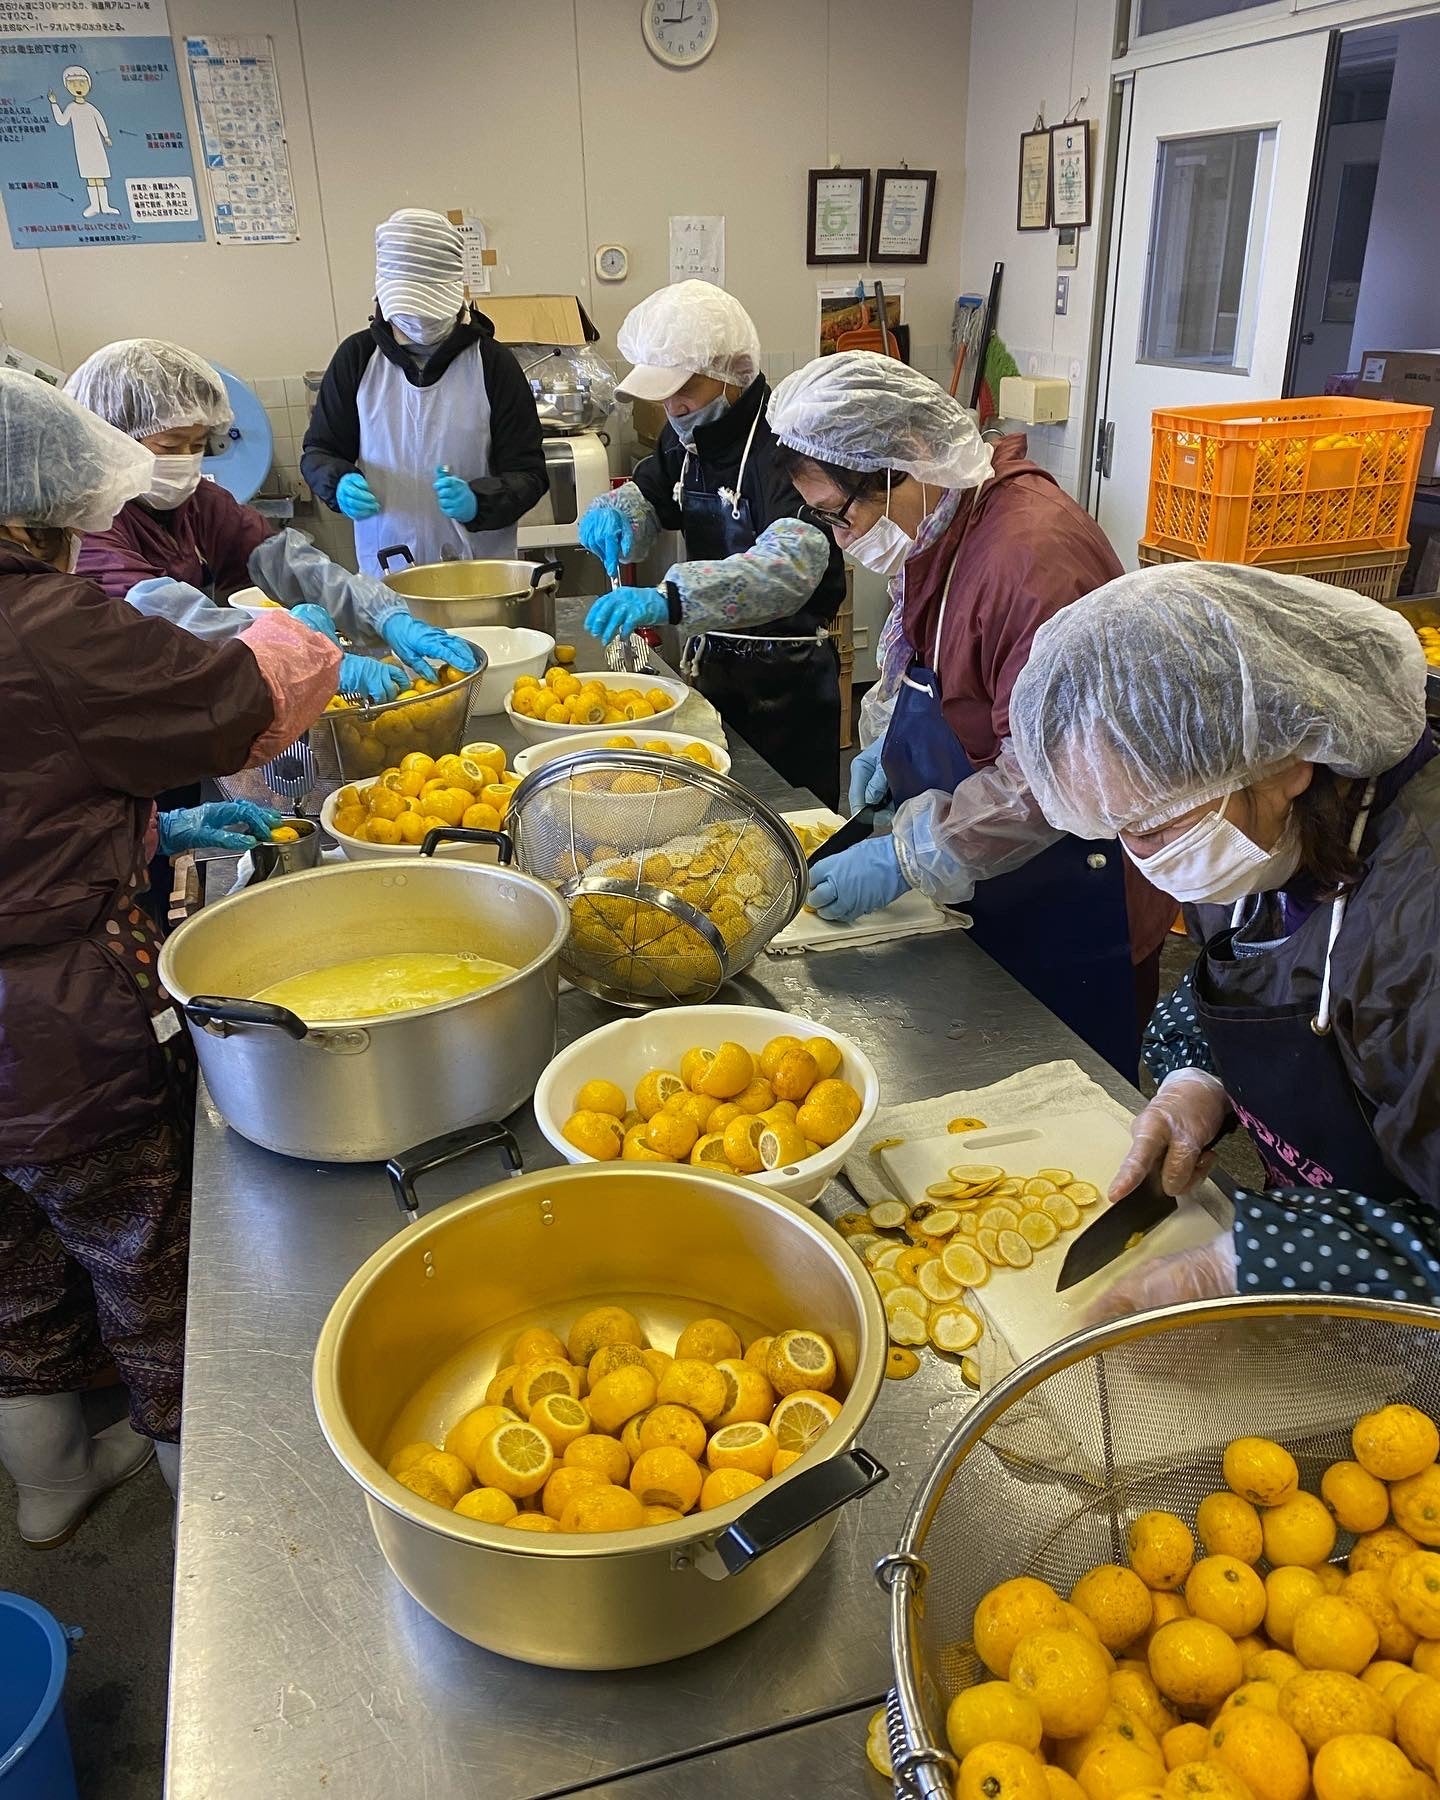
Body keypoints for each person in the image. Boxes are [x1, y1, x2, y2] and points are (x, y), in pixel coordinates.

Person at [0, 371, 340, 1548]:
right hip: (54, 1028)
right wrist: (297, 637)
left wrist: (157, 828)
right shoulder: (43, 619)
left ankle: (49, 1484)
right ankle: (221, 1525)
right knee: (145, 1258)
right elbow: (247, 702)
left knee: (12, 1273)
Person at [1009, 563, 1440, 1310]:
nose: (1144, 856)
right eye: (1119, 830)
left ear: (1285, 759)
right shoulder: (1257, 838)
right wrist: (1197, 1081)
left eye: (1155, 823)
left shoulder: (1421, 924)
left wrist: (1257, 1262)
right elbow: (1248, 973)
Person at [766, 351, 1173, 1075]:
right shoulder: (944, 529)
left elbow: (1056, 776)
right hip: (996, 880)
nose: (843, 539)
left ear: (910, 458)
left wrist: (910, 855)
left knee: (1069, 1105)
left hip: (1076, 892)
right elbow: (936, 667)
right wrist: (892, 749)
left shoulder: (1030, 561)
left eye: (844, 514)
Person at [65, 338, 478, 707]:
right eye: (170, 446)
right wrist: (298, 653)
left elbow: (286, 562)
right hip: (124, 713)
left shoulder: (198, 503)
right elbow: (171, 621)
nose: (186, 462)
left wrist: (383, 615)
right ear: (110, 437)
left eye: (198, 445)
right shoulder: (86, 526)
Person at [578, 282, 846, 807]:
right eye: (663, 394)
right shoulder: (685, 435)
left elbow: (792, 564)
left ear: (731, 373)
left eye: (685, 390)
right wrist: (619, 514)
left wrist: (673, 598)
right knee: (717, 819)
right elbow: (653, 492)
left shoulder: (785, 442)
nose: (672, 407)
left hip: (786, 682)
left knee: (789, 822)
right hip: (712, 666)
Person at [302, 208, 547, 574]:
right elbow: (320, 450)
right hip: (387, 572)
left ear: (456, 295)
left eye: (429, 310)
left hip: (479, 575)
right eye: (408, 310)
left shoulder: (492, 364)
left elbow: (529, 473)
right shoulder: (357, 359)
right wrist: (336, 481)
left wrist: (481, 500)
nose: (418, 322)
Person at [49, 66, 118, 219]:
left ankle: (105, 205)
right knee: (90, 176)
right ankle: (95, 206)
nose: (78, 87)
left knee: (100, 175)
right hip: (82, 146)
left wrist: (106, 136)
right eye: (73, 84)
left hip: (96, 145)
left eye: (82, 83)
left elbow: (100, 121)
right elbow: (61, 120)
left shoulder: (91, 107)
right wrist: (54, 104)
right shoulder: (71, 107)